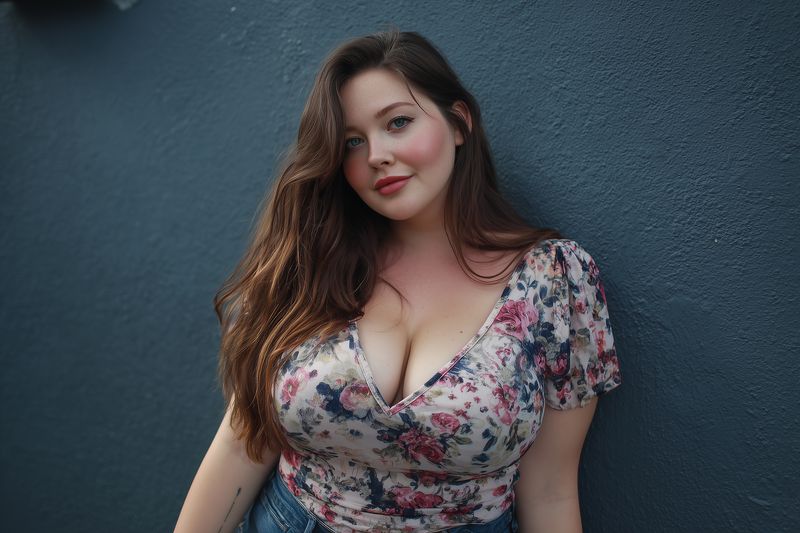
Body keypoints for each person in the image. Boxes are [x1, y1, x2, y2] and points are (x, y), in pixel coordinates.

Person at [174, 29, 622, 533]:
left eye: (399, 123)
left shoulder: (555, 281)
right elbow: (242, 443)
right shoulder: (312, 259)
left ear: (459, 123)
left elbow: (550, 490)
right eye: (352, 142)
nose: (376, 155)